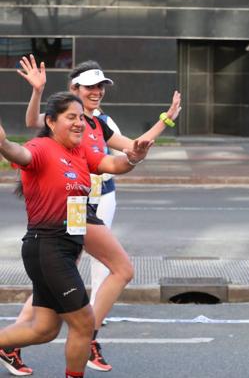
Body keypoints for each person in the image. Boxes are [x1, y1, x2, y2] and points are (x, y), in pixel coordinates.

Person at [0, 56, 181, 374]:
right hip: (48, 244)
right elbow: (19, 151)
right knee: (83, 323)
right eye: (71, 117)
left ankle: (12, 345)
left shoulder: (83, 147)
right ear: (53, 122)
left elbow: (114, 164)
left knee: (44, 329)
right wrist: (3, 142)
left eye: (81, 119)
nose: (80, 123)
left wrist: (135, 157)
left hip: (69, 237)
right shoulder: (42, 148)